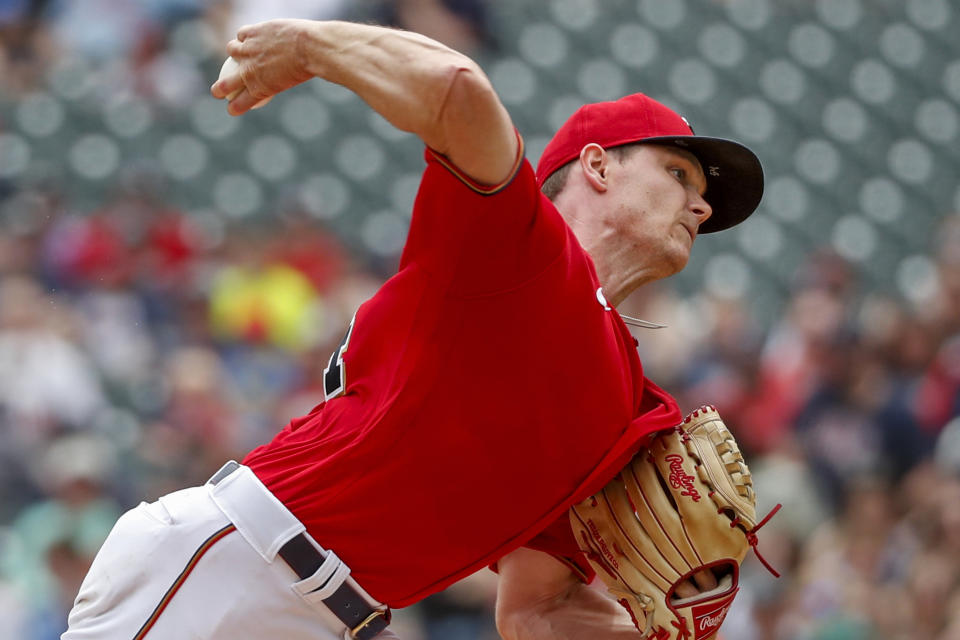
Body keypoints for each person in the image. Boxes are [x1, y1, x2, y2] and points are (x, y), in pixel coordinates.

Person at [62, 17, 763, 640]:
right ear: (598, 165)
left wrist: (665, 631)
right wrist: (310, 45)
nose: (698, 208)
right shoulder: (525, 250)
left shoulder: (630, 405)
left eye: (704, 199)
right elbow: (458, 90)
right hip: (242, 564)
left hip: (342, 617)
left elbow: (535, 614)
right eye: (678, 173)